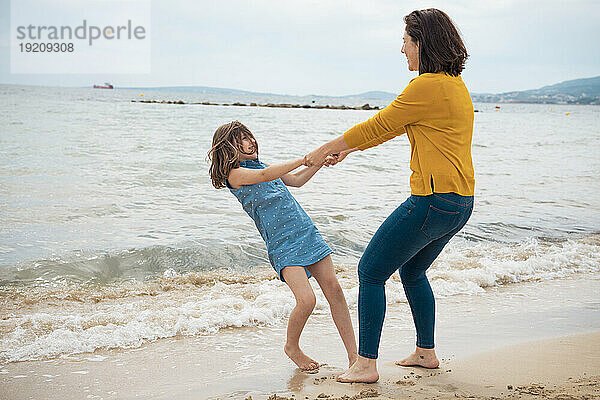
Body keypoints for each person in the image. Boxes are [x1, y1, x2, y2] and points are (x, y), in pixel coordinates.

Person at [304, 8, 475, 383]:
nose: (402, 50)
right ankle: (426, 352)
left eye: (405, 42)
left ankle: (365, 364)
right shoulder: (455, 87)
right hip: (460, 204)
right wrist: (345, 151)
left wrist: (323, 149)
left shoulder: (426, 85)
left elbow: (379, 123)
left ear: (421, 43)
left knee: (370, 271)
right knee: (413, 271)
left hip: (433, 200)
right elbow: (392, 128)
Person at [207, 121, 358, 371]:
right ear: (228, 147)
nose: (250, 141)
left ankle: (354, 357)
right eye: (242, 139)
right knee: (307, 300)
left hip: (306, 233)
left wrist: (319, 161)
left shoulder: (264, 165)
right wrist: (305, 158)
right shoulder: (234, 175)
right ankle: (292, 347)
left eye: (250, 136)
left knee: (335, 292)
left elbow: (297, 181)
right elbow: (265, 177)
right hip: (283, 245)